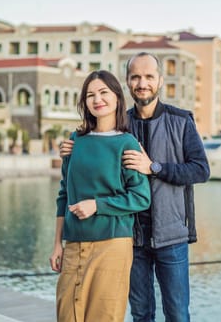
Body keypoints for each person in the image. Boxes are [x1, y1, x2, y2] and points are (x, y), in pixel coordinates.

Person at [60, 52, 210, 322]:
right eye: (136, 77)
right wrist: (74, 146)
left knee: (177, 314)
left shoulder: (181, 120)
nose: (143, 83)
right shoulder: (120, 124)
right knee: (141, 314)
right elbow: (95, 139)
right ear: (127, 83)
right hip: (132, 238)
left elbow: (201, 170)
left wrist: (155, 167)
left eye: (149, 76)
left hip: (171, 235)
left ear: (160, 80)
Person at [50, 70, 151, 322]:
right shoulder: (75, 141)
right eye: (90, 95)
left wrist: (97, 205)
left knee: (104, 317)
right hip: (73, 244)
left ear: (117, 97)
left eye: (104, 92)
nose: (97, 99)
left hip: (112, 246)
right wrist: (57, 244)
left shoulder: (126, 143)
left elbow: (140, 197)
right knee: (67, 316)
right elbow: (64, 194)